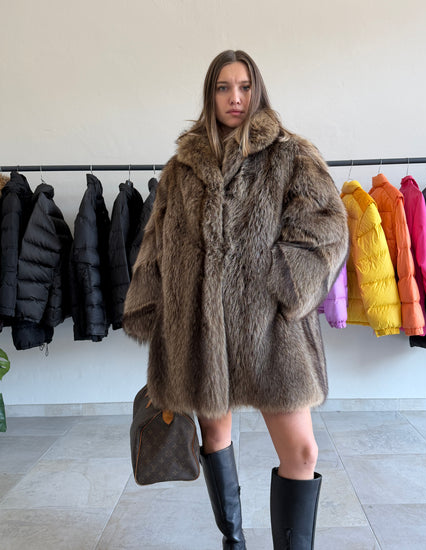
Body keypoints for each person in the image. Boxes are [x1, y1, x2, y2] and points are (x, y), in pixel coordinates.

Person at [123, 49, 349, 550]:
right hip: (200, 330)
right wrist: (154, 312)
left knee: (302, 453)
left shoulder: (290, 154)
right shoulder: (182, 167)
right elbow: (156, 244)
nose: (235, 97)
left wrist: (283, 280)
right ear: (210, 95)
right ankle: (234, 541)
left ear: (257, 90)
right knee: (215, 437)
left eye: (244, 86)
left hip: (270, 331)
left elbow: (328, 227)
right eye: (223, 87)